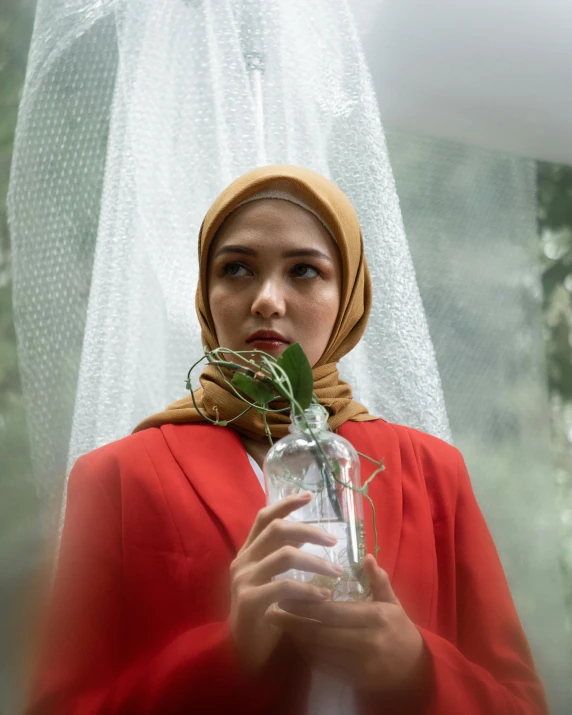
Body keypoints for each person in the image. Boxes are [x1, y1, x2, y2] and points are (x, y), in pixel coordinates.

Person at [26, 165, 548, 714]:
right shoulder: (117, 477)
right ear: (206, 293)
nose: (268, 300)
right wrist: (226, 655)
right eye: (236, 268)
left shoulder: (432, 471)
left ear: (349, 296)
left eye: (303, 270)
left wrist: (418, 667)